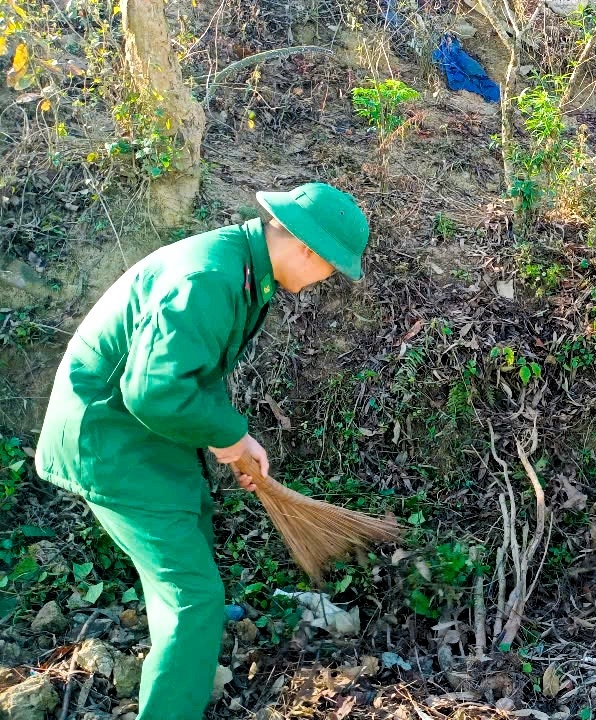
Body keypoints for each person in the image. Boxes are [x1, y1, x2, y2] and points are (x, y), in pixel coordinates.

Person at [35, 182, 370, 719]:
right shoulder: (210, 277)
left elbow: (195, 370)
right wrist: (226, 434)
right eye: (332, 268)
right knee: (193, 600)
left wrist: (233, 435)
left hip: (143, 432)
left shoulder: (242, 269)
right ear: (309, 249)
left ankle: (193, 636)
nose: (326, 280)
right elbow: (153, 391)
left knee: (195, 512)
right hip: (111, 440)